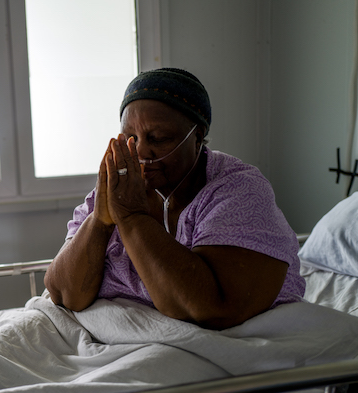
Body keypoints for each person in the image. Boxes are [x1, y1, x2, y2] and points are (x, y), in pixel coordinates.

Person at [44, 68, 305, 330]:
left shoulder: (237, 191)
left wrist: (132, 218)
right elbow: (65, 295)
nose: (141, 151)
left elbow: (209, 308)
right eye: (131, 138)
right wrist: (99, 222)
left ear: (198, 136)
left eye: (158, 138)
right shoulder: (119, 187)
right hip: (107, 338)